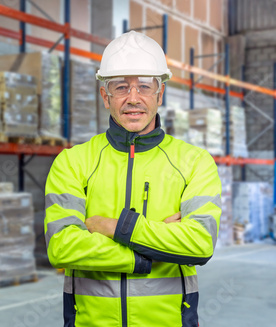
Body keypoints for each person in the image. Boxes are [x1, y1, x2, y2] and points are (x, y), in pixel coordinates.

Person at [44, 30, 222, 327]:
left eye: (144, 87)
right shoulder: (72, 162)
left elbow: (200, 243)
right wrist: (144, 257)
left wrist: (111, 227)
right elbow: (62, 246)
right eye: (121, 87)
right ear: (106, 96)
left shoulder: (194, 162)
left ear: (159, 94)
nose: (133, 98)